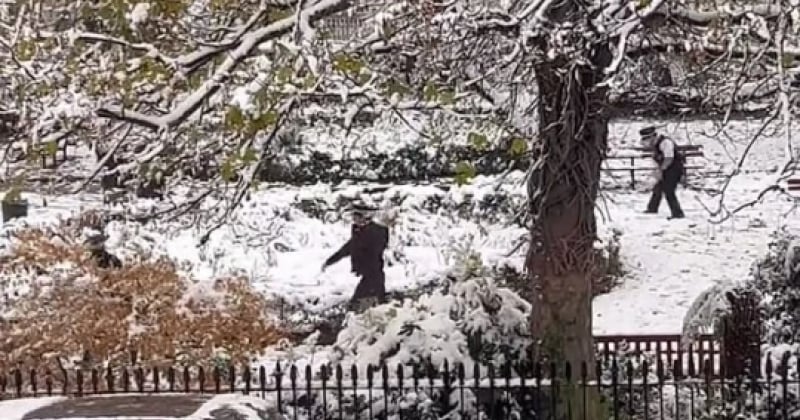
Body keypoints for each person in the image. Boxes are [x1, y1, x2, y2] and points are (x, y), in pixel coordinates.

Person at [322, 202, 389, 312]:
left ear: (366, 217)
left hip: (374, 275)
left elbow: (375, 252)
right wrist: (330, 261)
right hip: (367, 275)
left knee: (361, 305)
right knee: (365, 306)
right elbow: (349, 247)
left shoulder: (378, 232)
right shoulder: (358, 231)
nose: (354, 220)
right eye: (354, 217)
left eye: (357, 217)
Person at [641, 126, 685, 219]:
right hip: (666, 168)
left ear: (652, 136)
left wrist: (661, 169)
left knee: (669, 190)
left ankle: (677, 213)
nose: (646, 142)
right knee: (658, 188)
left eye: (646, 138)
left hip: (674, 168)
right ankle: (652, 208)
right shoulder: (656, 145)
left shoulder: (665, 142)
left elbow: (669, 158)